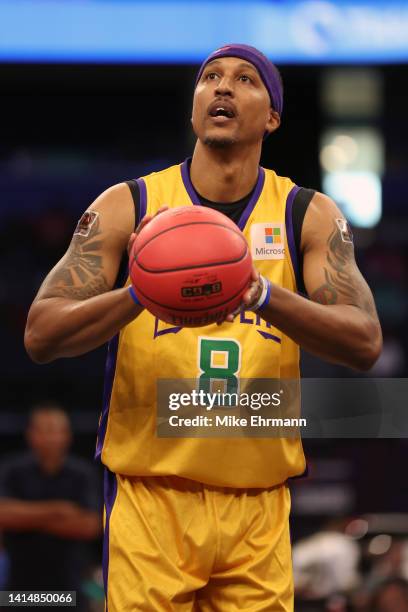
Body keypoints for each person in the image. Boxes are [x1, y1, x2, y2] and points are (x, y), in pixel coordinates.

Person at [24, 44, 382, 611]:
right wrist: (140, 293)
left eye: (245, 79)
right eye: (209, 77)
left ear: (272, 116)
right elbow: (41, 334)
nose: (222, 87)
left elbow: (364, 342)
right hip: (152, 501)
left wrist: (261, 295)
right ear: (193, 108)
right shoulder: (130, 204)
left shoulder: (305, 213)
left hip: (257, 508)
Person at [0, 404, 101, 608]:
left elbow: (90, 526)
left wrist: (25, 518)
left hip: (70, 590)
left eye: (56, 430)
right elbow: (3, 515)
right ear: (31, 434)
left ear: (67, 435)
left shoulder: (83, 474)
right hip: (18, 591)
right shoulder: (11, 469)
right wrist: (59, 511)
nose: (50, 437)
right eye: (44, 430)